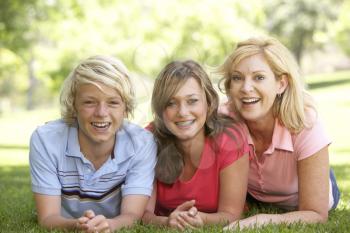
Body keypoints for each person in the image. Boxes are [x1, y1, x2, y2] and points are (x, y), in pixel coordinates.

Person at [218, 37, 341, 230]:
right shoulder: (224, 119)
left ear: (281, 84)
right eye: (237, 78)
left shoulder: (306, 125)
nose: (246, 88)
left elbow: (316, 214)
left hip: (298, 190)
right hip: (257, 191)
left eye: (259, 77)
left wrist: (261, 219)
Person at [29, 55, 157, 232]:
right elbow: (48, 218)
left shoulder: (141, 143)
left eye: (113, 102)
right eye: (89, 102)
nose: (101, 112)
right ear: (74, 105)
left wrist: (109, 225)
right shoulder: (45, 140)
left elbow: (132, 216)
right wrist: (77, 225)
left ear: (125, 108)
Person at [142, 60, 250, 230]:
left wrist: (198, 219)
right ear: (161, 109)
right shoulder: (149, 139)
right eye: (171, 103)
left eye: (192, 101)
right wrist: (168, 221)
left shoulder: (229, 139)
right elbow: (142, 214)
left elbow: (231, 215)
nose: (183, 112)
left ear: (208, 103)